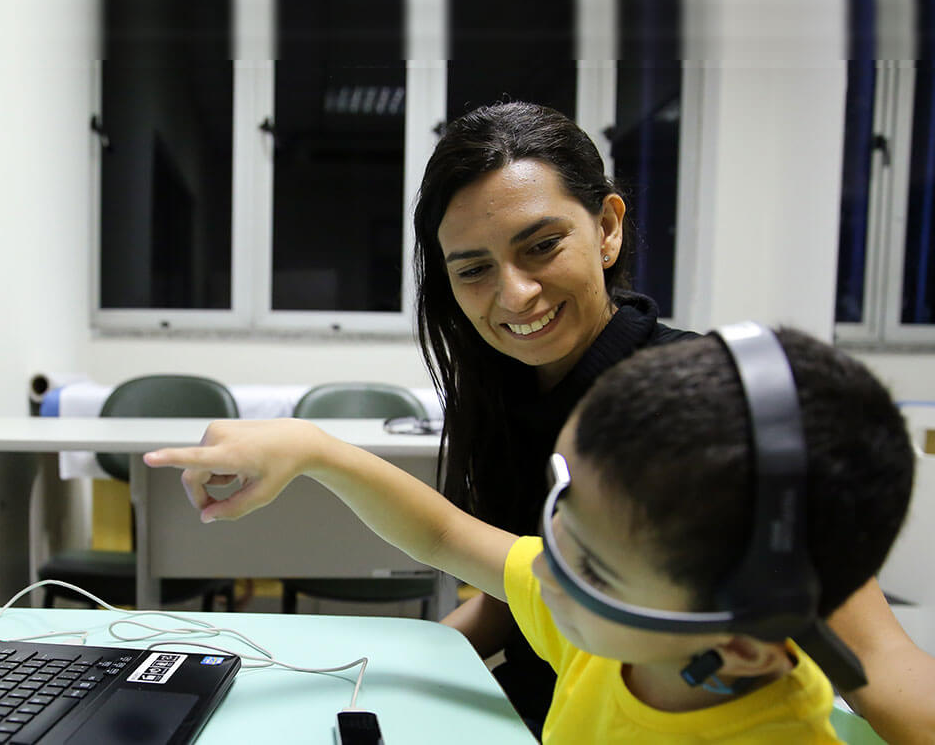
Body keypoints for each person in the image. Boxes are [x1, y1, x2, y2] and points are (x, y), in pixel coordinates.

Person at [161, 102, 935, 742]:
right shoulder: (508, 390)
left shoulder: (695, 415)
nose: (516, 294)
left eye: (541, 245)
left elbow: (878, 659)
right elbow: (511, 571)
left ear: (607, 227)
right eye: (473, 268)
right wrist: (400, 671)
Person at [144, 327, 912, 742]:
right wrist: (312, 449)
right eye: (561, 509)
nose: (547, 568)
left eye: (592, 564)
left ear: (738, 645)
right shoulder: (608, 633)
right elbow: (444, 531)